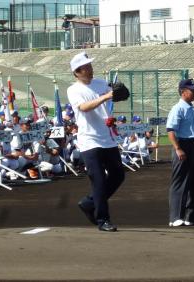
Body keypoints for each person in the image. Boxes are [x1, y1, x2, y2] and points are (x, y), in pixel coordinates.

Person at [67, 52, 125, 232]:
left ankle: (89, 202)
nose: (90, 69)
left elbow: (117, 94)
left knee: (118, 175)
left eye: (90, 66)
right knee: (98, 179)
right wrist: (105, 97)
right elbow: (84, 108)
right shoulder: (74, 89)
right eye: (86, 67)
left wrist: (119, 92)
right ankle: (103, 219)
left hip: (107, 137)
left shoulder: (100, 82)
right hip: (89, 140)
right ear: (77, 72)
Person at [166, 79, 194, 227]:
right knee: (181, 181)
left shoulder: (192, 108)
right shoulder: (177, 108)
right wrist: (178, 148)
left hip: (193, 145)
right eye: (192, 90)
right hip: (182, 144)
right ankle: (175, 217)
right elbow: (171, 130)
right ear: (183, 91)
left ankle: (192, 216)